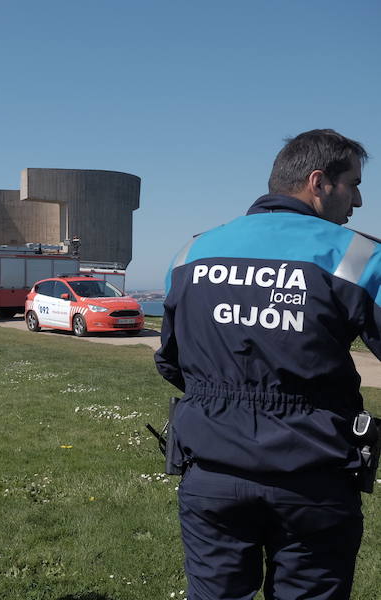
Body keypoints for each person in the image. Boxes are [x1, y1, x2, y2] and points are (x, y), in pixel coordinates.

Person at [155, 129, 374, 600]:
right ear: (319, 182)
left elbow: (171, 362)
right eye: (353, 184)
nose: (357, 201)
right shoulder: (356, 255)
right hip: (313, 478)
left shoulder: (193, 252)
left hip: (211, 472)